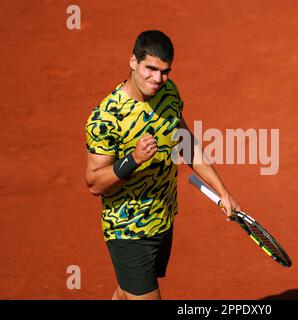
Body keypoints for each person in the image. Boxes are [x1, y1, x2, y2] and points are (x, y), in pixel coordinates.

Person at [84, 30, 241, 300]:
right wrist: (132, 160)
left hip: (162, 218)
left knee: (126, 291)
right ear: (133, 61)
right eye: (150, 69)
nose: (157, 79)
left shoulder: (168, 92)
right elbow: (94, 183)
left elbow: (186, 144)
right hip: (129, 230)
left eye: (165, 71)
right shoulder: (106, 118)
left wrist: (223, 192)